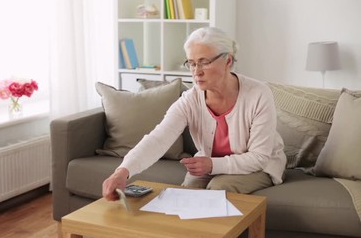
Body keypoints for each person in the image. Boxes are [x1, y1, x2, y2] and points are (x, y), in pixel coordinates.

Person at [102, 27, 286, 201]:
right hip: (210, 162)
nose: (196, 72)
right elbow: (158, 138)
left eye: (204, 62)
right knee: (187, 192)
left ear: (228, 61)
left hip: (260, 166)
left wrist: (213, 165)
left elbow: (259, 158)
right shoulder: (190, 99)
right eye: (191, 63)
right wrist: (122, 171)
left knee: (218, 188)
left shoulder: (259, 94)